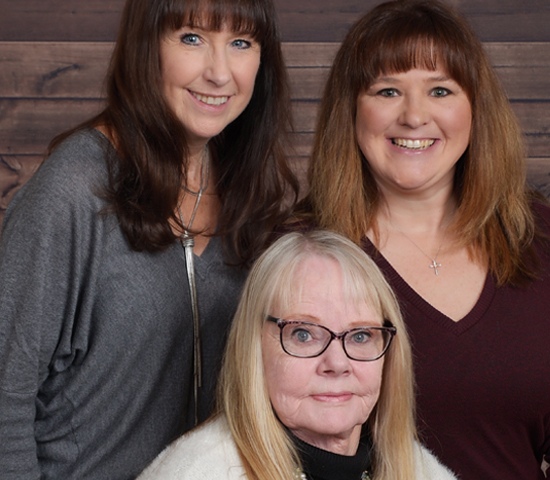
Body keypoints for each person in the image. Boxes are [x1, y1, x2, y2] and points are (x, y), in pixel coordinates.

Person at [0, 0, 298, 478]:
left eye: (241, 43)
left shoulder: (250, 191)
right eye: (192, 38)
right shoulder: (71, 192)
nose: (220, 73)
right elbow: (5, 397)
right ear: (145, 48)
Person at [298, 0, 550, 478]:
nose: (414, 116)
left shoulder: (539, 237)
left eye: (440, 90)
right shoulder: (300, 252)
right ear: (351, 110)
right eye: (388, 90)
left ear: (476, 107)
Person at [137, 230, 457, 480]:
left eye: (360, 336)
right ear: (255, 347)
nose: (337, 364)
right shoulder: (198, 472)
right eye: (303, 334)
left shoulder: (417, 470)